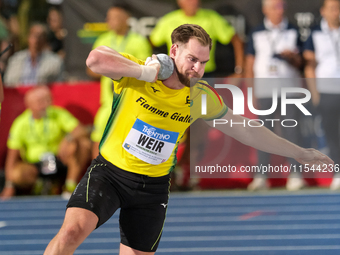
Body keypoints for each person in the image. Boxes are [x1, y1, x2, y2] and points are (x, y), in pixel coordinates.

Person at [43, 23, 332, 255]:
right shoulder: (140, 72)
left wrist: (298, 152)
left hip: (152, 188)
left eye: (203, 62)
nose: (197, 69)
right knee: (71, 232)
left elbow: (246, 129)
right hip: (110, 173)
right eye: (192, 59)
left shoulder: (199, 95)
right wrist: (146, 72)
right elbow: (95, 60)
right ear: (174, 51)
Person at [245, 0, 305, 191]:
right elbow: (249, 63)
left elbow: (302, 63)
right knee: (264, 133)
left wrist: (292, 57)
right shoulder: (256, 32)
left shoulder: (294, 30)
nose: (278, 11)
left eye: (281, 7)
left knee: (291, 132)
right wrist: (251, 90)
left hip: (289, 90)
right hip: (264, 89)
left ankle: (295, 174)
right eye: (274, 7)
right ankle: (262, 176)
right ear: (265, 10)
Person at [0, 86, 91, 200]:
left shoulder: (57, 113)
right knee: (17, 174)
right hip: (36, 165)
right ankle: (41, 184)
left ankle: (70, 186)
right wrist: (9, 185)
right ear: (29, 104)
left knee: (83, 144)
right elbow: (11, 157)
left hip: (59, 159)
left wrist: (68, 138)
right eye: (39, 102)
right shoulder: (20, 123)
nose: (44, 105)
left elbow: (81, 130)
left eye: (46, 101)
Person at [87, 4, 152, 158]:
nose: (109, 21)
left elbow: (145, 69)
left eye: (114, 18)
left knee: (132, 143)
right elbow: (90, 68)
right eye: (108, 18)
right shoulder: (103, 40)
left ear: (126, 19)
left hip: (132, 102)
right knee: (99, 139)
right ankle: (95, 177)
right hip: (108, 102)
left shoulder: (139, 41)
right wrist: (113, 67)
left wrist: (115, 67)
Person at [149, 0, 244, 77]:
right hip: (175, 74)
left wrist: (239, 71)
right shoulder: (168, 20)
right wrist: (152, 68)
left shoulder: (211, 18)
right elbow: (152, 42)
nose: (191, 2)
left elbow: (236, 40)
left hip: (204, 75)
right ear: (179, 2)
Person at [303, 0, 340, 190]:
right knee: (332, 134)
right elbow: (310, 66)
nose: (337, 12)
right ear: (323, 11)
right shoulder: (315, 33)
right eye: (333, 9)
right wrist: (315, 94)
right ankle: (338, 173)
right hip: (327, 91)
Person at [4, 22, 63, 87]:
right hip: (19, 95)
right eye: (34, 35)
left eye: (40, 36)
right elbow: (8, 82)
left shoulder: (55, 62)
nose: (37, 39)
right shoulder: (15, 60)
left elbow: (58, 85)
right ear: (28, 37)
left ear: (45, 40)